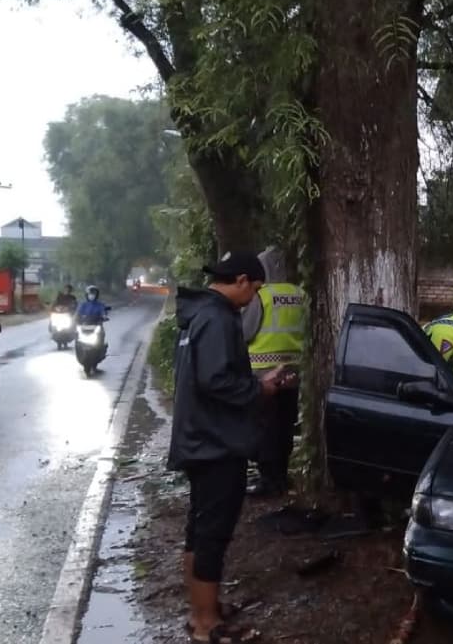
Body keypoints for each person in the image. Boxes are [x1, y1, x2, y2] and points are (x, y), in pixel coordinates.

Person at [167, 250, 295, 644]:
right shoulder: (219, 318)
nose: (254, 297)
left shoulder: (197, 315)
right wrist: (262, 388)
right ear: (240, 280)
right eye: (255, 289)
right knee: (212, 535)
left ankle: (201, 612)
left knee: (199, 529)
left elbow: (203, 376)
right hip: (216, 443)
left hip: (199, 437)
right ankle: (206, 625)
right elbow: (216, 381)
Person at [241, 246, 306, 498]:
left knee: (265, 428)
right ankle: (281, 475)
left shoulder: (262, 296)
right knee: (284, 426)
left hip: (262, 374)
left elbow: (245, 331)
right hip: (292, 373)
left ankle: (268, 480)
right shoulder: (299, 294)